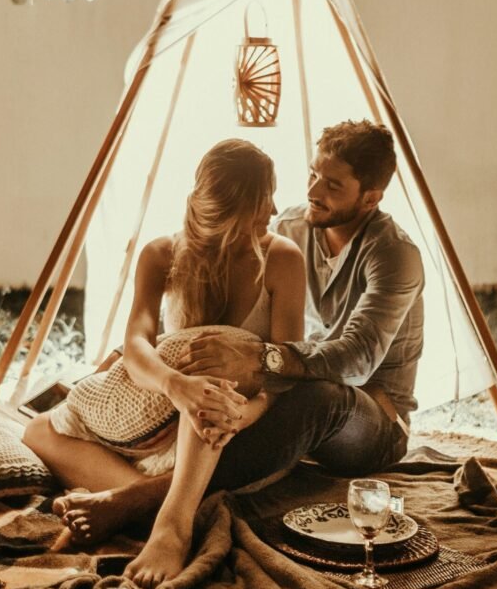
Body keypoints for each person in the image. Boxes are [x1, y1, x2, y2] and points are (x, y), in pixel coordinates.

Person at [24, 138, 307, 588]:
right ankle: (140, 501)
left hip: (232, 426)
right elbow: (136, 343)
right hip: (164, 413)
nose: (273, 211)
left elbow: (286, 371)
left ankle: (170, 526)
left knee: (213, 362)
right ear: (231, 209)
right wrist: (174, 385)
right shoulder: (161, 254)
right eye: (263, 199)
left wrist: (240, 414)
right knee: (39, 430)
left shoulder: (283, 259)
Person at [177, 119, 424, 458]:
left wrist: (262, 358)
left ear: (370, 199)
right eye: (313, 175)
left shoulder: (395, 255)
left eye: (333, 186)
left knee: (320, 397)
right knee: (227, 393)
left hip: (369, 418)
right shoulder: (287, 230)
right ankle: (172, 477)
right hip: (295, 394)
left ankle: (150, 495)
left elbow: (357, 359)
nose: (313, 192)